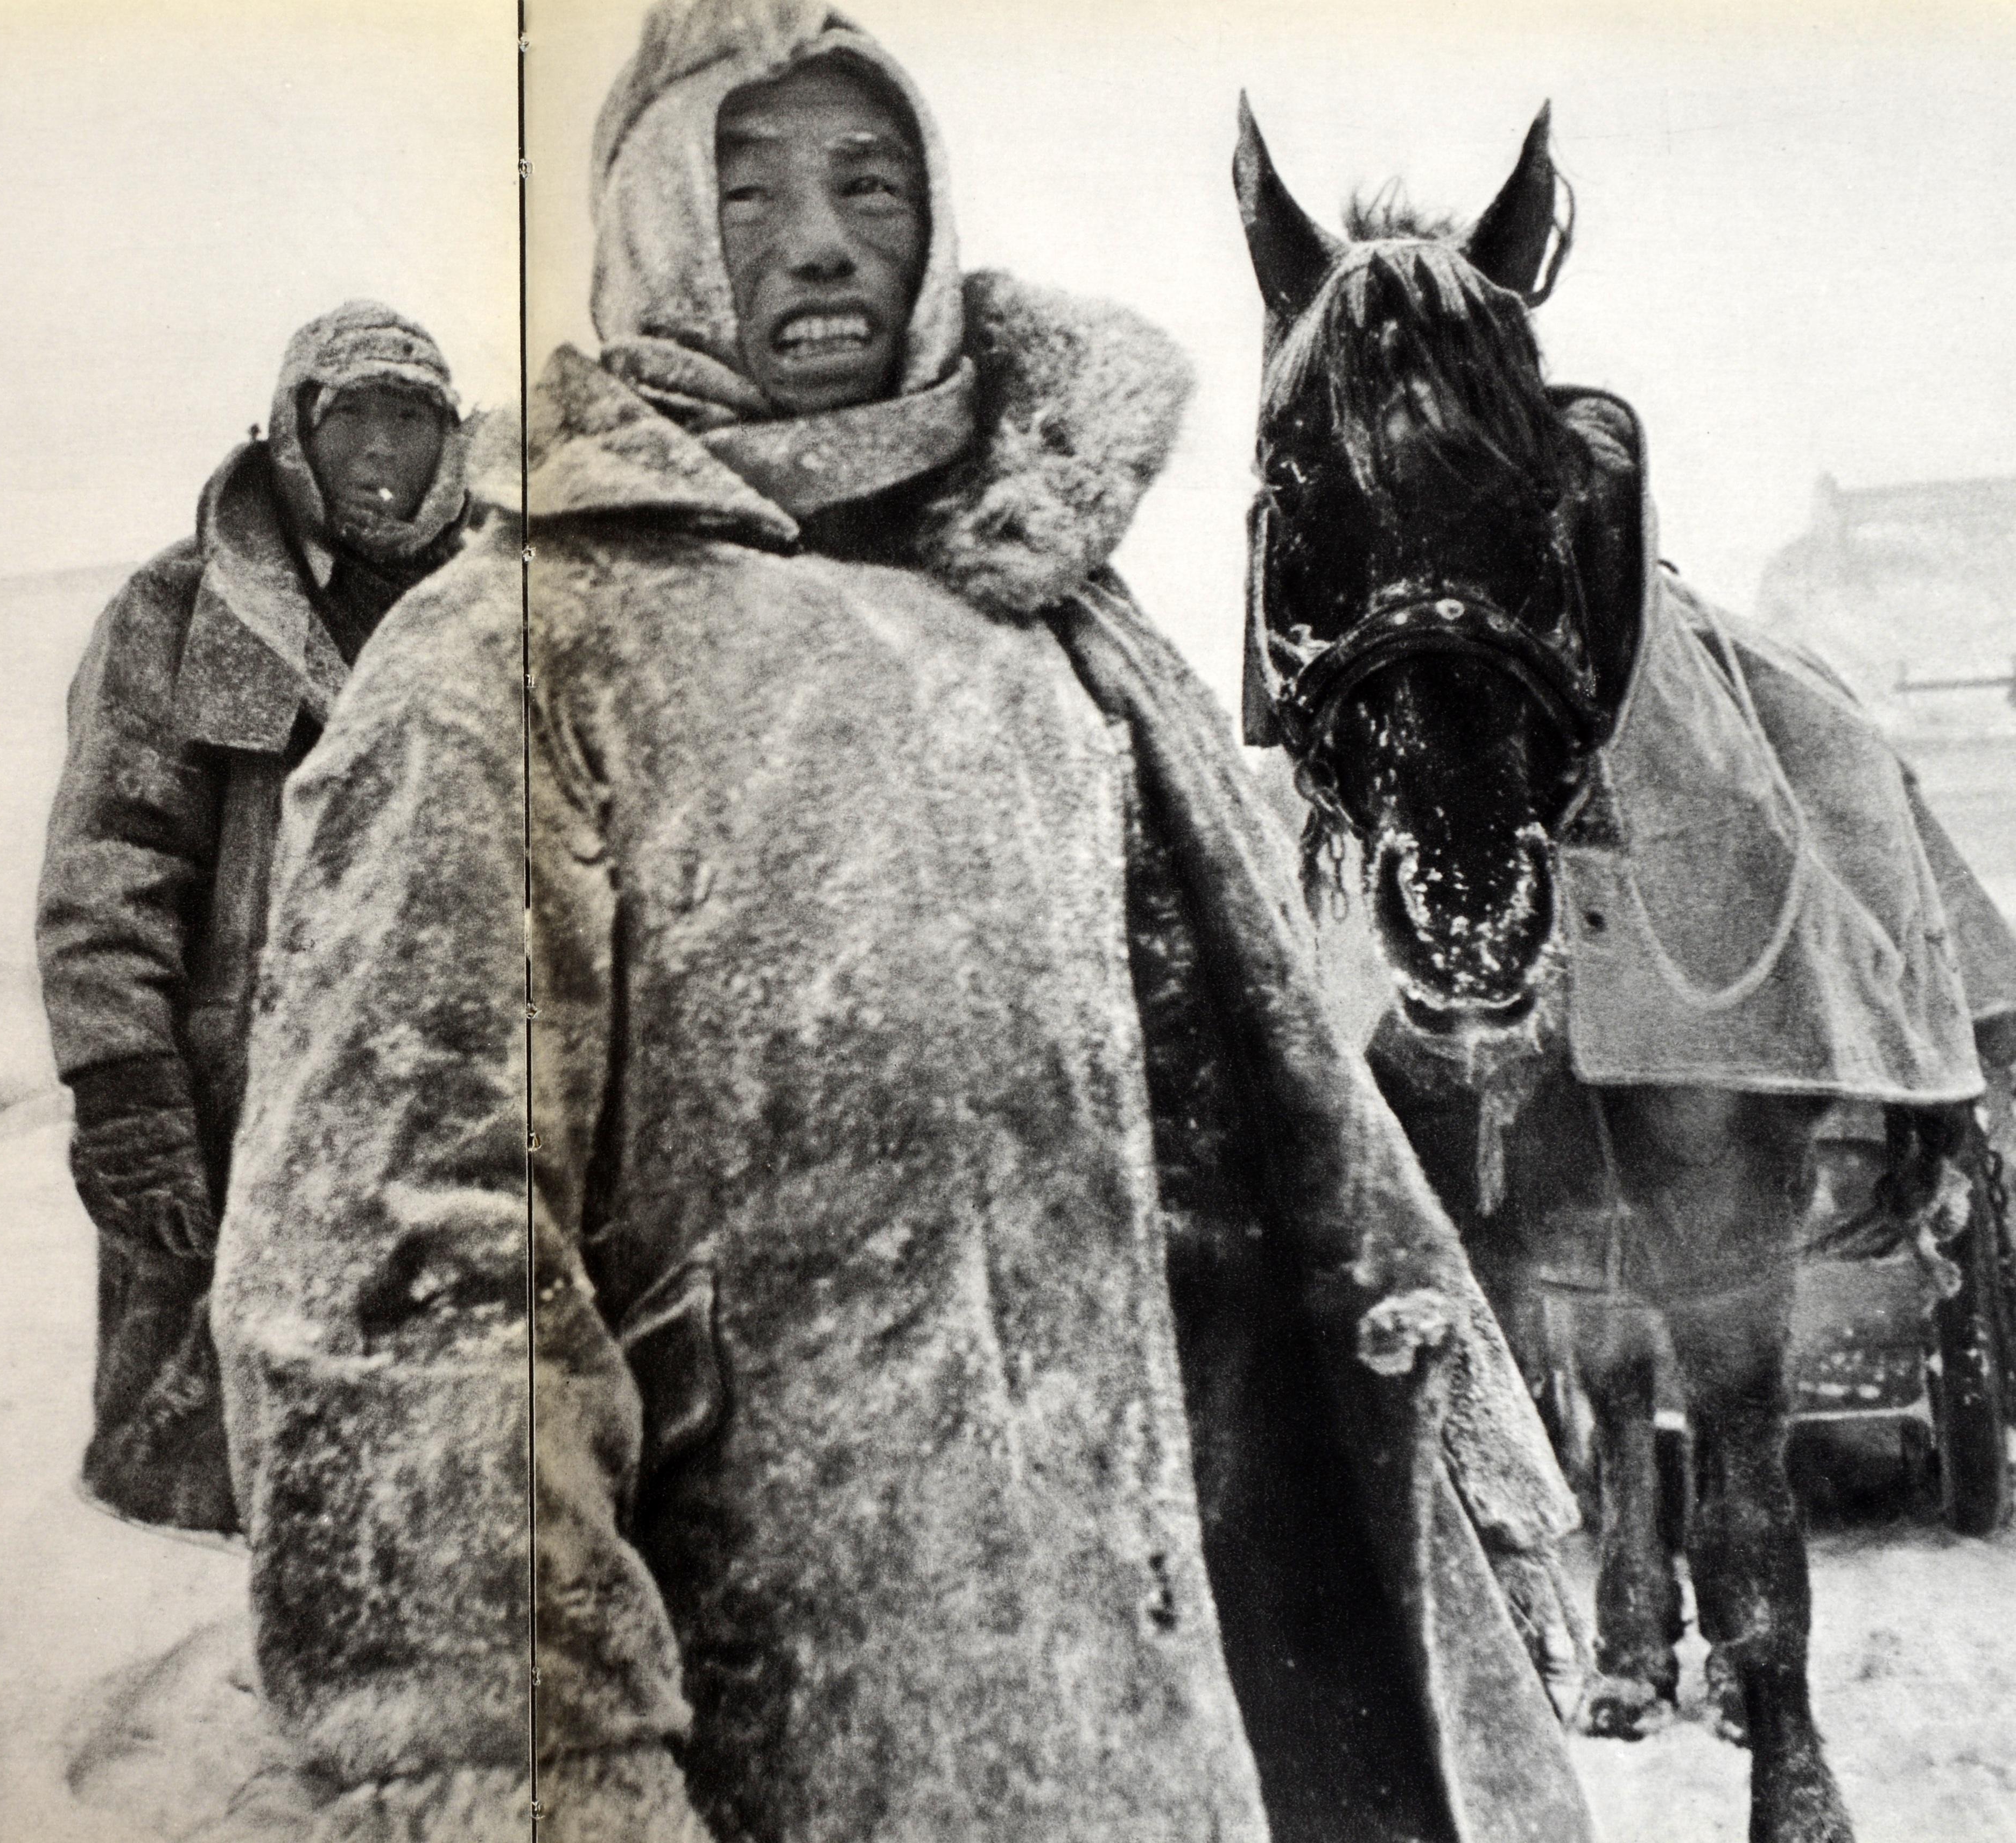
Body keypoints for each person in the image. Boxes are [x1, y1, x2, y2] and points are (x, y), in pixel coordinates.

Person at [217, 4, 1593, 1838]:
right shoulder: (506, 664)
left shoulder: (1066, 624)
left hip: (1238, 1691)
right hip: (833, 1739)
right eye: (745, 185)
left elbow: (1296, 1154)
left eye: (872, 182)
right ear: (642, 235)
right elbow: (402, 1295)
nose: (818, 238)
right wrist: (528, 1776)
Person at [36, 301, 469, 1537]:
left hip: (441, 1102)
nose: (383, 453)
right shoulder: (187, 610)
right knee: (204, 1479)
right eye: (352, 422)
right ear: (291, 437)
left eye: (412, 419)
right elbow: (111, 857)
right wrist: (123, 1083)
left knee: (432, 1475)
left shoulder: (498, 609)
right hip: (239, 1107)